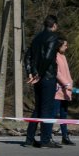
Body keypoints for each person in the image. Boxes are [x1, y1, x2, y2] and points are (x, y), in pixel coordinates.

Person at [23, 15, 60, 148]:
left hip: (37, 78)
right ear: (54, 25)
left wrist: (30, 74)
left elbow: (27, 56)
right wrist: (39, 74)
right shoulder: (53, 37)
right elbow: (48, 57)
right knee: (47, 109)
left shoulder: (37, 38)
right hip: (47, 77)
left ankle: (29, 139)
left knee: (37, 108)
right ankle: (45, 140)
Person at [54, 37, 75, 145]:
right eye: (65, 45)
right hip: (59, 89)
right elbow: (57, 73)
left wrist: (70, 83)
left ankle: (65, 136)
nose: (67, 47)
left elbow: (66, 73)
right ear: (59, 45)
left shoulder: (63, 57)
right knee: (53, 113)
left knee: (64, 114)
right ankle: (47, 136)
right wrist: (65, 83)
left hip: (67, 90)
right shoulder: (55, 56)